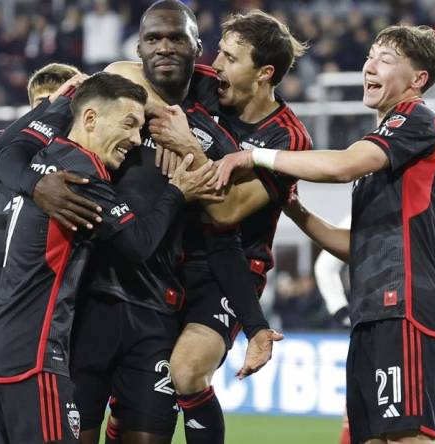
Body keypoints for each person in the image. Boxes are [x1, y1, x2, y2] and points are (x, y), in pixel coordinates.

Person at [214, 25, 435, 443]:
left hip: (407, 310)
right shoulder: (386, 151)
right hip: (374, 311)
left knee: (403, 437)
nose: (370, 66)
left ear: (418, 80)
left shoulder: (416, 118)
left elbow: (341, 166)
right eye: (370, 56)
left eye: (386, 59)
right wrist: (296, 210)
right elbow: (357, 248)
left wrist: (258, 155)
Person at [0, 71, 218, 444]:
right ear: (88, 119)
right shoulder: (82, 175)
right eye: (130, 124)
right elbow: (137, 244)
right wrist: (177, 193)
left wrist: (57, 106)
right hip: (35, 360)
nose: (136, 140)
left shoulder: (20, 159)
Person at [116, 10, 310, 442]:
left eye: (230, 58)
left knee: (186, 371)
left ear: (264, 73)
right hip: (167, 255)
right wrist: (160, 108)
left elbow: (227, 211)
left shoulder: (287, 139)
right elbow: (121, 70)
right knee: (139, 387)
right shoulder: (204, 84)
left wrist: (188, 146)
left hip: (229, 269)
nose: (216, 65)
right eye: (218, 53)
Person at [0, 62, 84, 444]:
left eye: (61, 110)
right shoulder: (1, 157)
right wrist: (57, 103)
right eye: (42, 107)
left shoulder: (75, 175)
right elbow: (6, 146)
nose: (52, 119)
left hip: (37, 347)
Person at [308, 203, 435, 444]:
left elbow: (324, 266)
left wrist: (342, 311)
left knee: (371, 427)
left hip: (388, 323)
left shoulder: (372, 206)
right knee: (392, 429)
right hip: (409, 323)